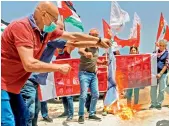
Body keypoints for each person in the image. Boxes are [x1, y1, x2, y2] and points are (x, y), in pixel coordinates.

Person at [1, 1, 112, 125]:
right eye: (53, 19)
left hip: (15, 85)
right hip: (3, 82)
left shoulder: (46, 31)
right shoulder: (22, 27)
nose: (54, 24)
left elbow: (72, 37)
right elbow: (29, 64)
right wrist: (58, 67)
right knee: (8, 121)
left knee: (23, 117)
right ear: (44, 15)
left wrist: (98, 41)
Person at [78, 29, 108, 124]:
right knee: (83, 95)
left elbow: (95, 60)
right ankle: (81, 115)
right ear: (89, 35)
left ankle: (91, 113)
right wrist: (86, 53)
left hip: (93, 75)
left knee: (96, 94)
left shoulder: (97, 47)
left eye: (97, 35)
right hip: (84, 74)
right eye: (94, 35)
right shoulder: (85, 43)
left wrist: (102, 62)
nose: (96, 37)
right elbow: (80, 50)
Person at [55, 46, 75, 121]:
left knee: (69, 97)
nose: (60, 48)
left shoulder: (67, 53)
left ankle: (71, 114)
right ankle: (66, 112)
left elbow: (70, 44)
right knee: (63, 96)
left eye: (61, 46)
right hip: (61, 79)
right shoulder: (57, 57)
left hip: (68, 79)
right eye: (58, 47)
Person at [150, 39, 168, 110]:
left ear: (165, 46)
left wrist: (160, 74)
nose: (161, 47)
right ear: (158, 45)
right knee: (153, 89)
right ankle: (153, 103)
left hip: (162, 74)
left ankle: (159, 103)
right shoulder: (154, 53)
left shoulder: (167, 53)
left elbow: (166, 64)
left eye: (163, 46)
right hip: (154, 74)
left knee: (161, 89)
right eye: (160, 45)